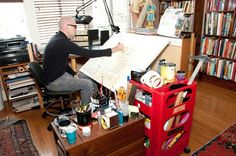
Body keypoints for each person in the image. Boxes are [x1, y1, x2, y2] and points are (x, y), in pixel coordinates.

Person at [42, 16, 124, 105]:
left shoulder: (58, 38)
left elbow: (61, 63)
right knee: (87, 84)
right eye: (74, 27)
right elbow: (88, 53)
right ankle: (86, 112)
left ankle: (97, 104)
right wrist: (114, 49)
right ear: (67, 27)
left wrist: (74, 73)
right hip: (54, 82)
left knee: (88, 76)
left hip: (60, 75)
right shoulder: (61, 42)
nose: (75, 30)